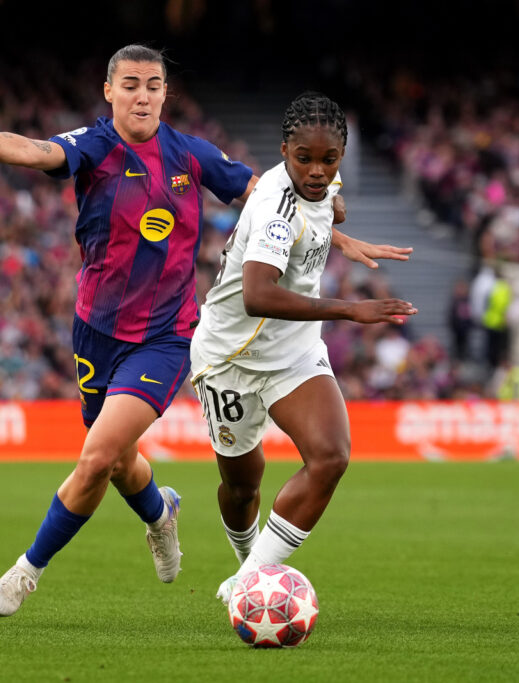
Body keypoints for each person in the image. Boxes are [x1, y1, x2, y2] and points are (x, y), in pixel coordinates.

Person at [0, 46, 404, 618]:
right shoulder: (94, 146)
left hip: (168, 336)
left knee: (95, 458)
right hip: (95, 331)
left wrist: (337, 233)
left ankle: (23, 575)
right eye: (131, 85)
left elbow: (274, 195)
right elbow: (33, 149)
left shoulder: (190, 155)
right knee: (118, 461)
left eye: (153, 85)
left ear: (166, 93)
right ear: (109, 90)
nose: (142, 95)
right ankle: (159, 514)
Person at [186, 91, 417, 603]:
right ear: (284, 150)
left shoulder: (322, 178)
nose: (316, 170)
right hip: (230, 357)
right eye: (304, 159)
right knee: (244, 484)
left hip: (293, 352)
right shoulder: (273, 208)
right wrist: (351, 309)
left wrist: (338, 221)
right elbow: (257, 295)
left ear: (341, 155)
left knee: (331, 456)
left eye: (328, 160)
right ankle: (248, 566)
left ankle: (248, 586)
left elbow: (330, 200)